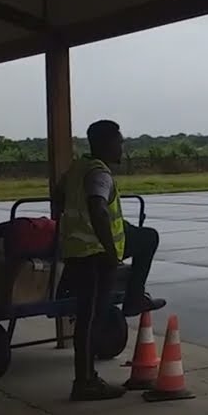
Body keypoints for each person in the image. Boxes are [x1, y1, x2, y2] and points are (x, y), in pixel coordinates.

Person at [53, 119, 152, 400]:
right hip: (94, 256)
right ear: (104, 144)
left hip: (79, 251)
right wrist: (111, 252)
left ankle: (87, 379)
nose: (121, 147)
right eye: (118, 141)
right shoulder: (99, 174)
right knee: (90, 319)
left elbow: (59, 195)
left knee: (90, 317)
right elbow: (98, 209)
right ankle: (84, 382)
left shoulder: (77, 168)